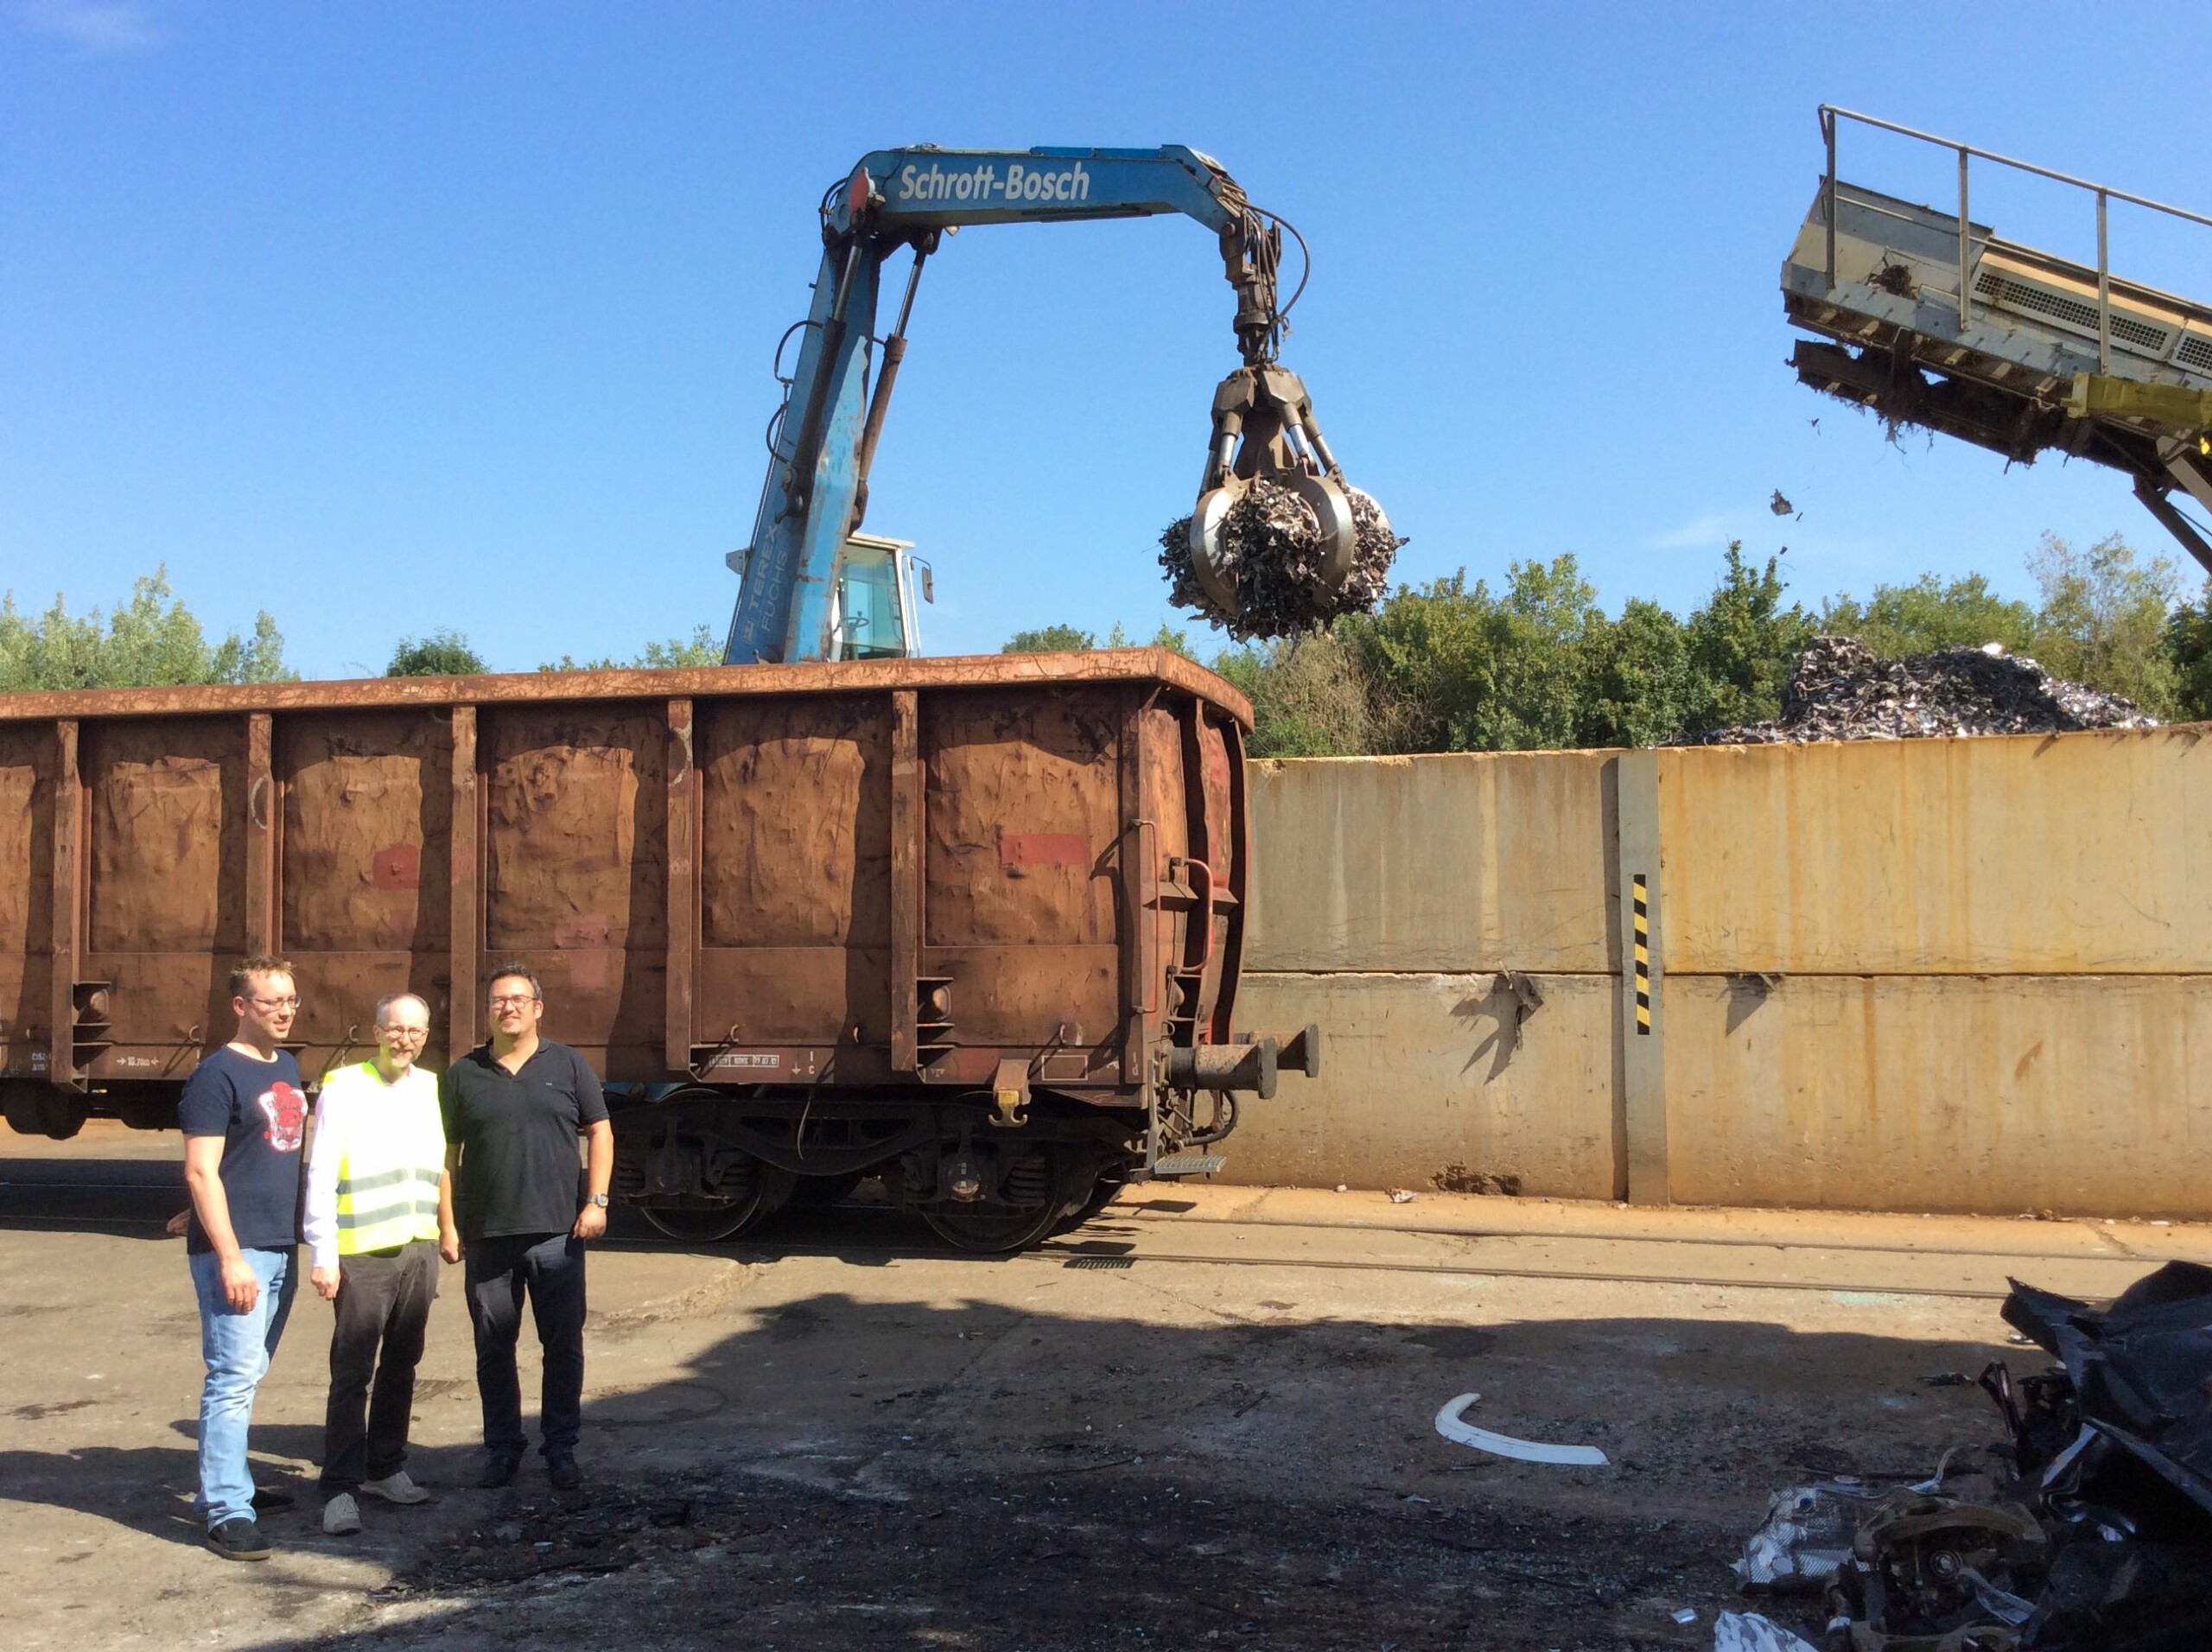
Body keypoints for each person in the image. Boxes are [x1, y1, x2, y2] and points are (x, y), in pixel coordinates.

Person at [438, 963, 613, 1491]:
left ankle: (561, 1449)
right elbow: (446, 1156)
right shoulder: (463, 1074)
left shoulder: (569, 1065)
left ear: (538, 1008)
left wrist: (597, 1201)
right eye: (498, 1000)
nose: (508, 1007)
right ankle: (503, 1449)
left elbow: (601, 1132)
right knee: (494, 1348)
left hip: (558, 1234)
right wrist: (448, 1224)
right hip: (488, 1235)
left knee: (563, 1346)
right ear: (488, 1010)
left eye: (518, 999)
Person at [301, 991, 451, 1536]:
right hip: (362, 1250)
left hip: (417, 1246)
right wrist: (323, 1253)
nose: (404, 1038)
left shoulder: (431, 1087)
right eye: (395, 1028)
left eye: (415, 1031)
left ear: (425, 1036)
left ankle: (385, 1466)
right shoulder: (344, 1086)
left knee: (402, 1364)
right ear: (377, 1030)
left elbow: (438, 1166)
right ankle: (339, 1488)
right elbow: (319, 1173)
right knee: (353, 1372)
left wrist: (444, 1231)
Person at [181, 955, 309, 1561]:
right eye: (271, 1002)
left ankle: (231, 1488)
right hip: (241, 1252)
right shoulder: (214, 1076)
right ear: (240, 1006)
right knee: (231, 1378)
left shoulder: (286, 1063)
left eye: (291, 1000)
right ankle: (227, 1510)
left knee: (248, 1372)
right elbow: (201, 1168)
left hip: (279, 1243)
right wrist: (228, 1255)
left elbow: (248, 1158)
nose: (284, 1011)